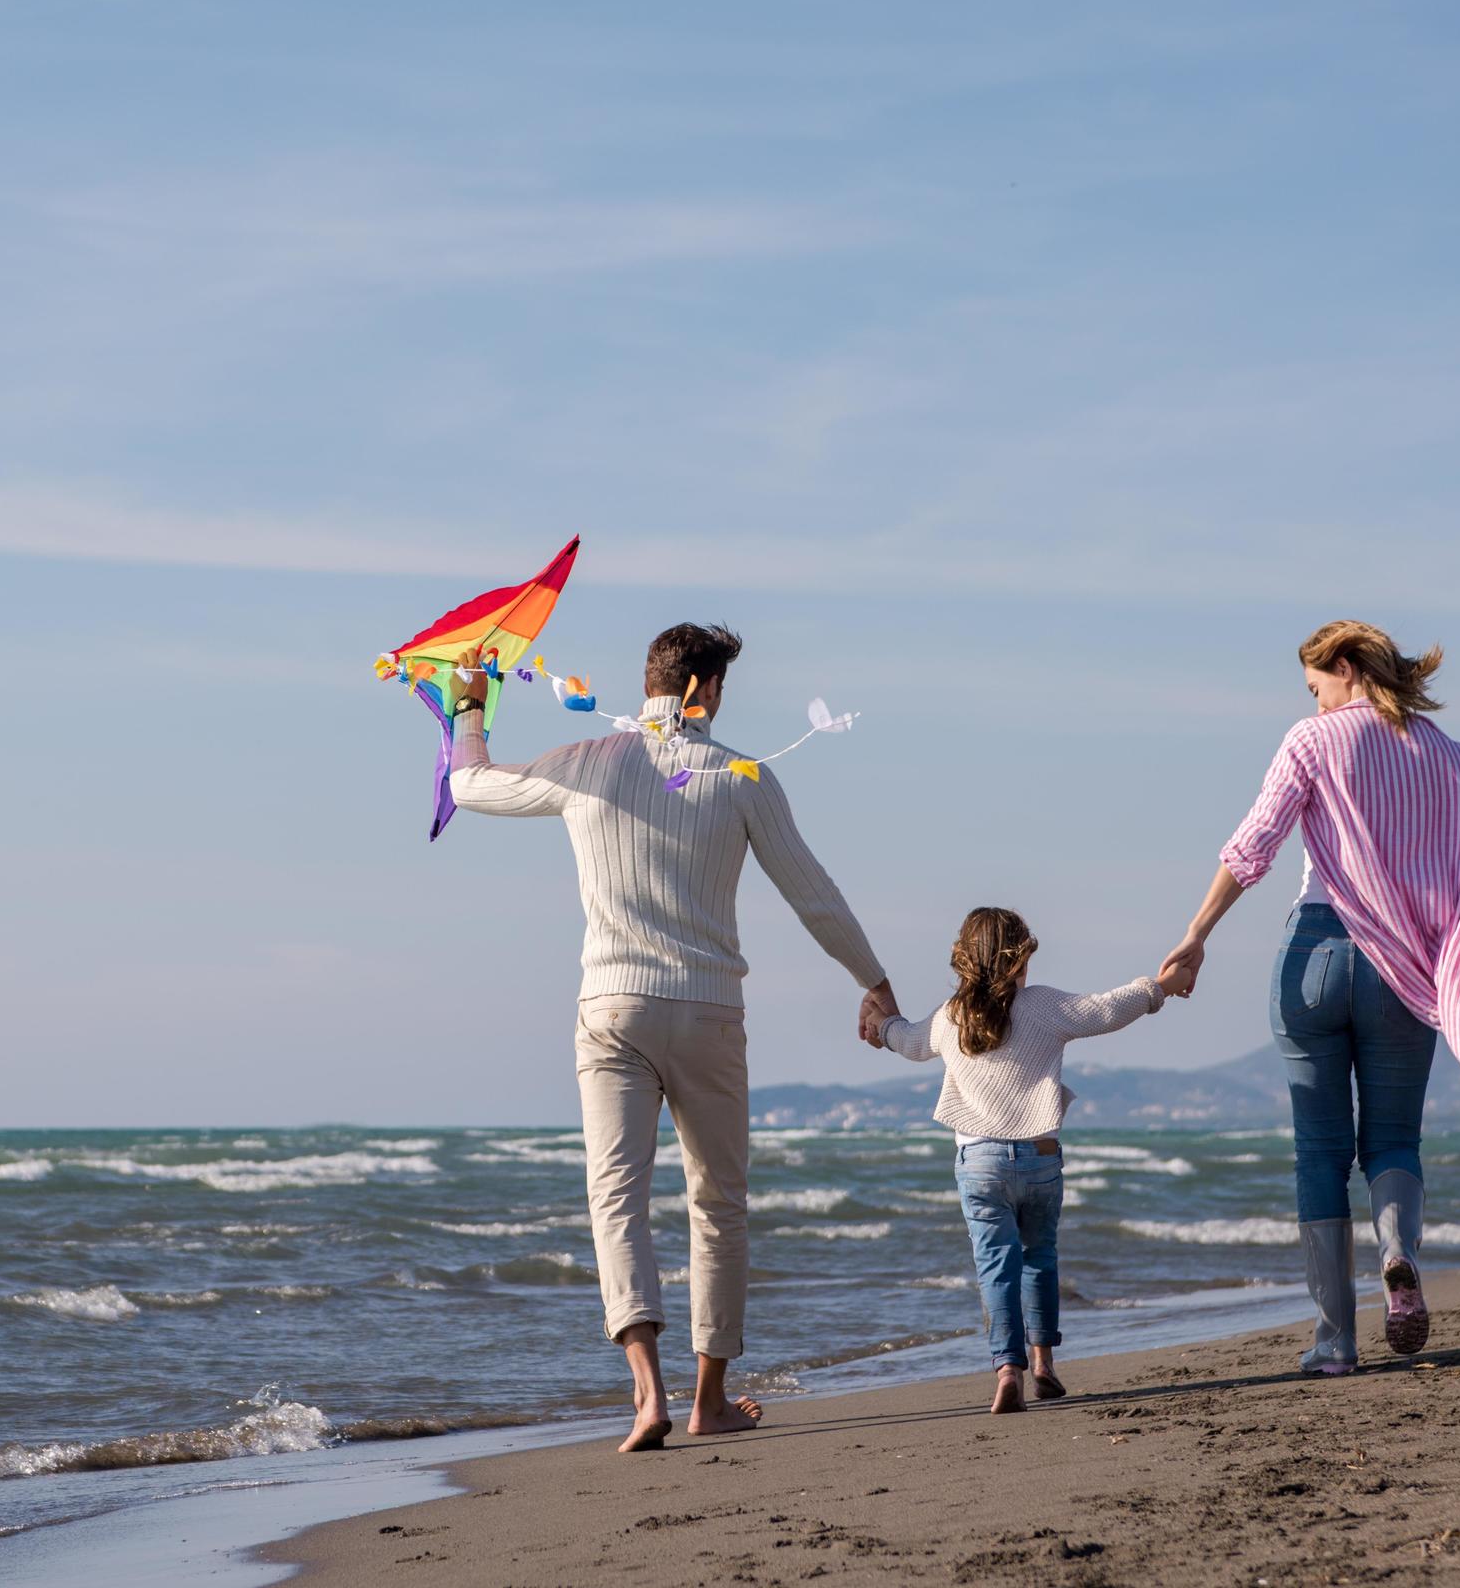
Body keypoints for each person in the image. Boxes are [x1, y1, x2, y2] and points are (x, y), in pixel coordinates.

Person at [448, 621, 899, 1452]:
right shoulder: (742, 775)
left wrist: (469, 707)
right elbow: (814, 895)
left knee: (615, 1197)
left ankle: (647, 1393)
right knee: (716, 1204)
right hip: (706, 1011)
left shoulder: (585, 762)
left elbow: (470, 785)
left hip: (611, 1008)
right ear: (705, 690)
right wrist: (872, 980)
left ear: (652, 679)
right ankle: (709, 1398)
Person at [1156, 620, 1460, 1375]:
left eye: (1316, 689)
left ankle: (1334, 1343)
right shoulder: (1453, 758)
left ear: (1343, 667)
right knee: (1391, 1141)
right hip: (1404, 970)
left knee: (1319, 1151)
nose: (1313, 705)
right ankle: (1396, 1255)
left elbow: (1253, 844)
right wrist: (1456, 974)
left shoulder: (1313, 742)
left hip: (1313, 954)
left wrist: (1195, 934)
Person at [872, 907, 1167, 1413]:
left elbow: (909, 1042)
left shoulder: (951, 1016)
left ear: (965, 958)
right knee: (1040, 1259)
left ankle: (1007, 1368)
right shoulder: (1042, 1006)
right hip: (1040, 1157)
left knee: (996, 1267)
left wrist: (880, 1024)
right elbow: (1107, 1009)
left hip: (979, 1161)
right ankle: (1044, 1364)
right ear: (1018, 960)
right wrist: (1157, 988)